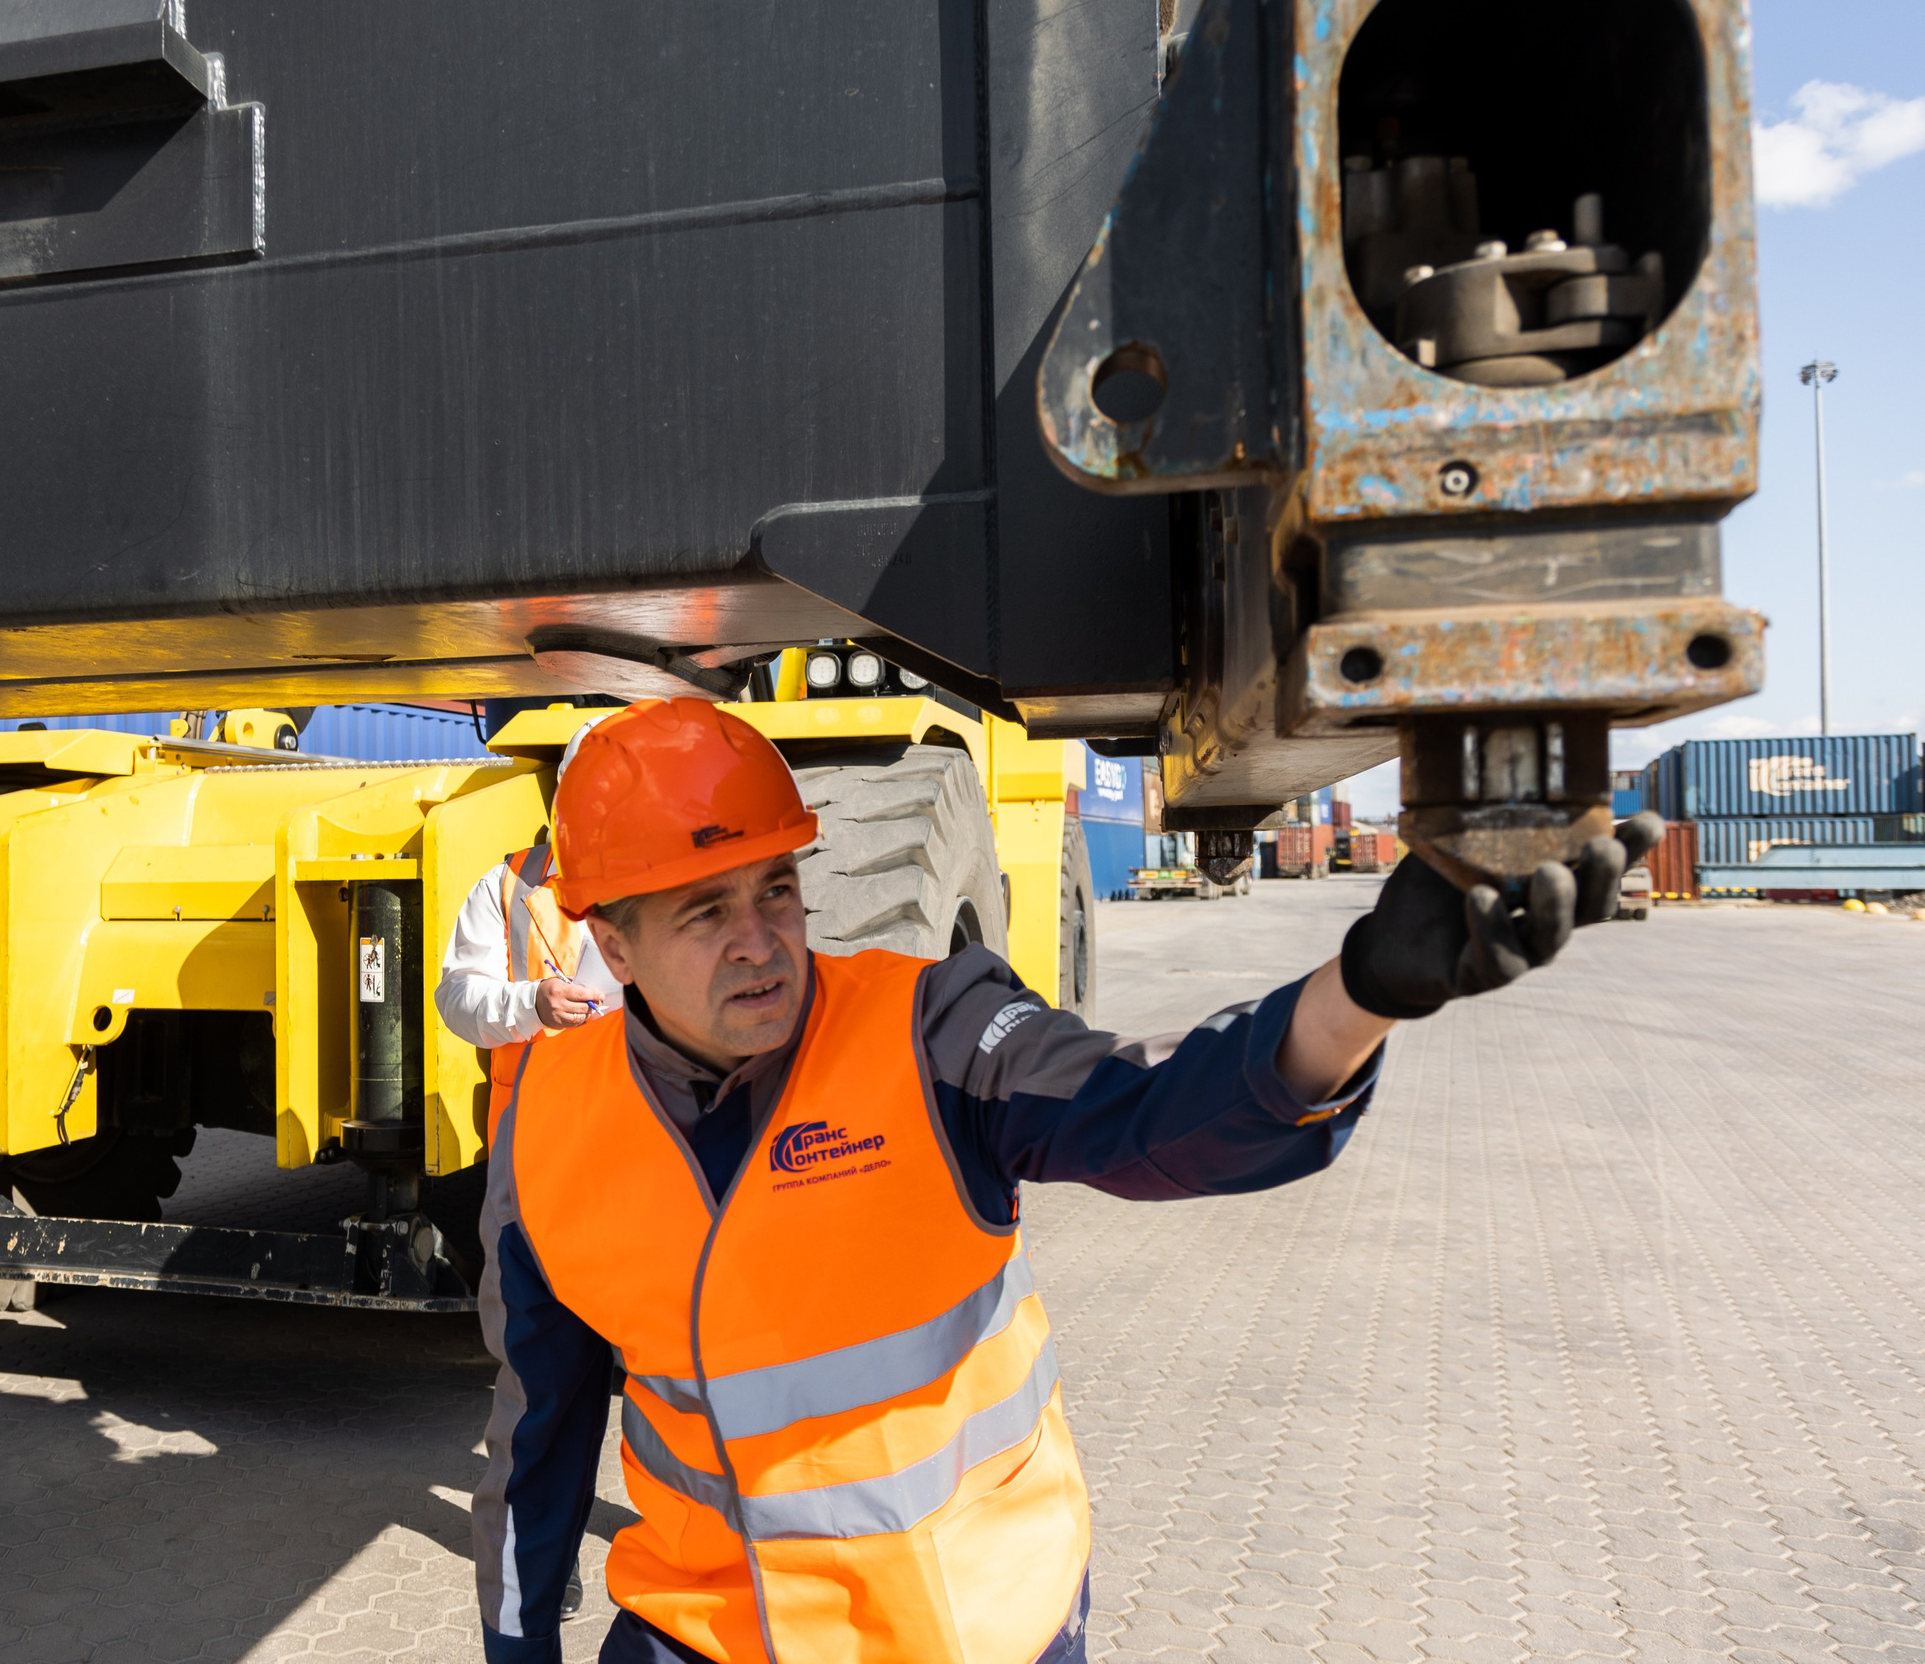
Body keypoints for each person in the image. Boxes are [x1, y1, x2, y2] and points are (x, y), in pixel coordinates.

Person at [473, 698, 1652, 1664]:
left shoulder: (929, 1026)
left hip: (966, 1628)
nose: (761, 939)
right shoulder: (550, 1124)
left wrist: (1361, 996)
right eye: (705, 911)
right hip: (706, 1635)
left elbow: (1147, 1119)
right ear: (612, 950)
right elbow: (541, 1436)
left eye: (777, 891)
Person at [435, 715, 623, 1110]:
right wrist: (532, 1005)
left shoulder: (671, 884)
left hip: (639, 1117)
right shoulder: (506, 884)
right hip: (534, 1124)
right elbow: (456, 999)